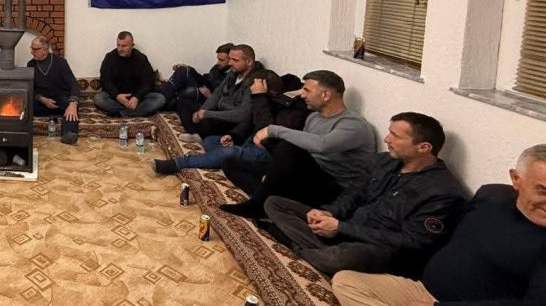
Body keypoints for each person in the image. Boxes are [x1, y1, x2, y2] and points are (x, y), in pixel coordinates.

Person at [332, 144, 546, 306]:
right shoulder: (491, 195)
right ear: (516, 179)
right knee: (345, 281)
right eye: (542, 191)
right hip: (422, 290)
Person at [263, 112, 466, 276]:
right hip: (344, 230)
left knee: (345, 257)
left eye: (395, 136)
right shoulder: (384, 161)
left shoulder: (442, 192)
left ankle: (298, 246)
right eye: (389, 133)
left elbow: (413, 242)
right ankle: (316, 252)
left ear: (423, 147)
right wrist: (328, 213)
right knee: (275, 203)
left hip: (378, 249)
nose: (386, 139)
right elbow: (353, 193)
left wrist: (342, 228)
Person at [220, 70, 377, 219]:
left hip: (332, 188)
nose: (302, 95)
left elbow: (322, 145)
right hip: (303, 179)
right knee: (230, 162)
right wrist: (274, 174)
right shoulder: (314, 117)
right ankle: (275, 199)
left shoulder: (353, 124)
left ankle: (258, 206)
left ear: (325, 95)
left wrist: (274, 130)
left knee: (288, 147)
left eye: (307, 90)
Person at [154, 70, 306, 174]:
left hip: (265, 152)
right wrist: (233, 136)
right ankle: (219, 159)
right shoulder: (258, 96)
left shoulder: (289, 108)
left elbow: (266, 131)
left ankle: (179, 163)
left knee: (228, 152)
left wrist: (260, 97)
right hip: (248, 142)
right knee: (210, 141)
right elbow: (248, 122)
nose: (251, 91)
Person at [178, 44, 263, 142]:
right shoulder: (233, 73)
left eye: (235, 60)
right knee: (183, 103)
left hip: (231, 119)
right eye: (230, 59)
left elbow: (242, 114)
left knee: (208, 120)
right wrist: (202, 110)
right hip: (219, 110)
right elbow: (217, 94)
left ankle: (201, 134)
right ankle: (196, 134)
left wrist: (208, 114)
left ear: (249, 62)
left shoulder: (255, 82)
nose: (230, 63)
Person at [93, 31, 166, 117]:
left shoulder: (141, 58)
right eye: (118, 45)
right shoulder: (110, 57)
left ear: (132, 45)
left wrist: (136, 97)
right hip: (117, 97)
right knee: (99, 99)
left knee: (160, 99)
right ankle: (136, 112)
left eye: (124, 46)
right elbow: (105, 80)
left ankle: (122, 113)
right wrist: (117, 95)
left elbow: (148, 81)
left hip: (137, 98)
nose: (119, 49)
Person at [28, 36, 80, 144]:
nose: (31, 52)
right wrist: (42, 99)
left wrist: (72, 104)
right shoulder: (31, 64)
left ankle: (68, 134)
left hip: (59, 100)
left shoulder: (60, 62)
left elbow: (73, 84)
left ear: (45, 50)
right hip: (41, 102)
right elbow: (30, 87)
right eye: (31, 48)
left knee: (71, 107)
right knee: (23, 105)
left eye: (34, 49)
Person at [160, 42, 234, 110]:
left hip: (209, 97)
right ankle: (162, 99)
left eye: (221, 60)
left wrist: (210, 96)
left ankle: (162, 100)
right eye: (218, 59)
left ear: (231, 60)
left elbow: (226, 101)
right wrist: (189, 69)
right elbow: (204, 79)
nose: (218, 62)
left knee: (188, 91)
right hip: (203, 87)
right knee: (183, 70)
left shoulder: (233, 76)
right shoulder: (217, 68)